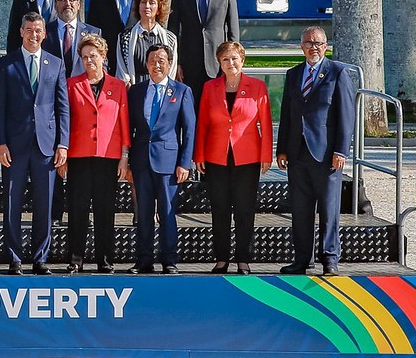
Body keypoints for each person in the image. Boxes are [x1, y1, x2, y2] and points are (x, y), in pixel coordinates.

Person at [0, 12, 70, 273]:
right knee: (12, 202)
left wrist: (63, 144)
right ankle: (14, 257)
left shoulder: (56, 64)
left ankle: (40, 257)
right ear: (21, 32)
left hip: (46, 145)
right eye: (29, 30)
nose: (33, 35)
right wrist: (0, 142)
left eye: (38, 30)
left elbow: (62, 108)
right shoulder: (6, 64)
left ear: (44, 33)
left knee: (44, 203)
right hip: (13, 146)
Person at [276, 26, 355, 276]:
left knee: (329, 210)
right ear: (301, 46)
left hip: (326, 154)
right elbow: (287, 114)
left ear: (326, 46)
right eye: (309, 43)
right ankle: (302, 259)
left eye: (319, 43)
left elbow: (346, 115)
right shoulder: (293, 74)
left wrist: (341, 150)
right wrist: (282, 149)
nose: (314, 47)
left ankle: (329, 258)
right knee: (300, 210)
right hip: (297, 153)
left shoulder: (338, 73)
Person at [198, 39, 273, 275]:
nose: (230, 63)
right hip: (216, 156)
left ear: (243, 60)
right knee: (219, 208)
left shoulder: (257, 87)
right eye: (225, 59)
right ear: (219, 63)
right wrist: (198, 153)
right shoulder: (210, 87)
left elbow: (266, 123)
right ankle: (221, 258)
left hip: (247, 156)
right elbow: (203, 124)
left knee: (245, 208)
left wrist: (266, 155)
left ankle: (243, 258)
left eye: (234, 58)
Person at [125, 42, 195, 274]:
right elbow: (129, 128)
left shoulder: (182, 91)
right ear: (146, 63)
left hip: (168, 162)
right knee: (143, 213)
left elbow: (189, 129)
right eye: (152, 60)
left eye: (161, 61)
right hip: (141, 161)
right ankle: (144, 259)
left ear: (169, 64)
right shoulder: (136, 92)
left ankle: (169, 260)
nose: (156, 65)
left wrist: (185, 162)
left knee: (167, 213)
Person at [62, 34, 128, 273]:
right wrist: (63, 153)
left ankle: (104, 259)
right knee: (77, 209)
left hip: (107, 157)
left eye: (94, 56)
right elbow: (65, 121)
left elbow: (123, 122)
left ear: (103, 57)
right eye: (85, 57)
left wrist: (124, 157)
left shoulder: (118, 86)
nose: (89, 60)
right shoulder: (72, 84)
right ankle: (75, 259)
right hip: (79, 156)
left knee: (105, 210)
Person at [170, 0, 240, 86]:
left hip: (218, 65)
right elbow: (173, 32)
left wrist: (230, 62)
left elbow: (233, 31)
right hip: (189, 66)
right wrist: (176, 63)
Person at [116, 0, 177, 83]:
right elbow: (122, 71)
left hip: (161, 90)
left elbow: (172, 69)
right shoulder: (125, 37)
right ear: (138, 6)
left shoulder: (170, 38)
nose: (147, 6)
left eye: (152, 3)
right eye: (143, 2)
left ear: (158, 8)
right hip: (134, 90)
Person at [47, 0, 101, 79]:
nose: (68, 3)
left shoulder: (93, 32)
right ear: (55, 5)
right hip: (53, 90)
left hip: (83, 88)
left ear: (79, 5)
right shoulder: (45, 32)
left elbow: (101, 64)